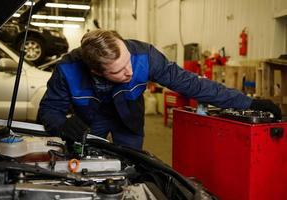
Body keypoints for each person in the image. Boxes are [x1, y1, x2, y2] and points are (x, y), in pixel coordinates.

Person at [38, 30, 281, 150]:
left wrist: (248, 103)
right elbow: (49, 109)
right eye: (119, 71)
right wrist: (62, 124)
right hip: (88, 124)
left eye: (128, 61)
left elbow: (194, 85)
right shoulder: (68, 69)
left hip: (129, 121)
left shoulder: (145, 56)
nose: (130, 72)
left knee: (133, 169)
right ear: (96, 71)